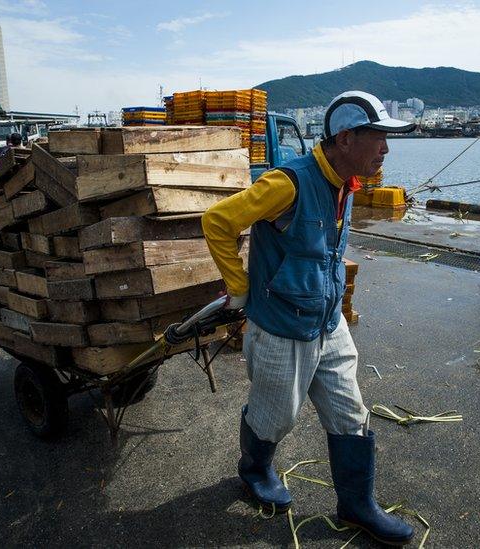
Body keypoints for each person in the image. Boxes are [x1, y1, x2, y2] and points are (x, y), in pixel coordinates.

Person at [202, 91, 417, 545]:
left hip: (328, 323)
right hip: (280, 327)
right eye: (378, 137)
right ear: (345, 138)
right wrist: (239, 289)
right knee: (276, 416)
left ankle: (358, 506)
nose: (385, 148)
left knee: (351, 413)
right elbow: (219, 221)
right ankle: (255, 468)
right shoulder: (288, 183)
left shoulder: (347, 184)